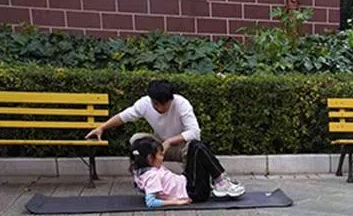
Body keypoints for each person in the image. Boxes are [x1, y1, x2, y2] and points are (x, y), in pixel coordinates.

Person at [87, 79, 243, 196]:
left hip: (181, 147)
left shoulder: (182, 104)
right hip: (159, 145)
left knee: (196, 144)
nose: (160, 109)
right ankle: (145, 180)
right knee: (136, 139)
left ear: (171, 100)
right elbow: (124, 116)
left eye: (164, 105)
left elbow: (195, 132)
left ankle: (221, 181)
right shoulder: (144, 104)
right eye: (156, 105)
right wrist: (102, 127)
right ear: (151, 100)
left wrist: (169, 141)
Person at [129, 136, 243, 208]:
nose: (162, 157)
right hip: (193, 192)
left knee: (195, 145)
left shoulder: (140, 170)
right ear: (150, 158)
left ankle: (219, 181)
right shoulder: (152, 175)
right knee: (197, 148)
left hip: (186, 182)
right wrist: (176, 202)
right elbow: (151, 202)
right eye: (160, 154)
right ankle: (221, 181)